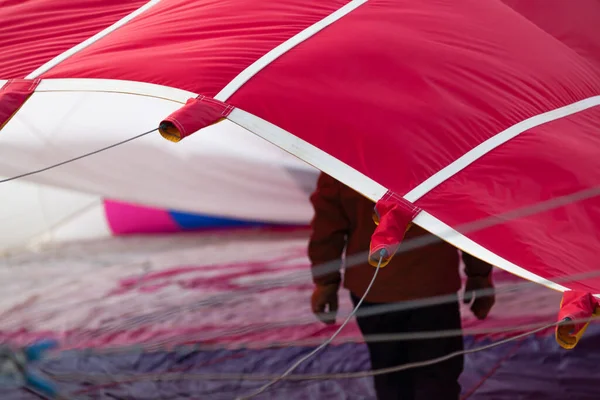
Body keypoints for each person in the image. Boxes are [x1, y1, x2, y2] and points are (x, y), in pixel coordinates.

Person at [308, 173, 495, 400]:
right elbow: (469, 215)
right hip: (432, 288)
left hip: (373, 291)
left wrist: (325, 282)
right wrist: (479, 275)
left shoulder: (342, 156)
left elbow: (328, 226)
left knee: (390, 375)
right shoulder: (441, 152)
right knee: (437, 378)